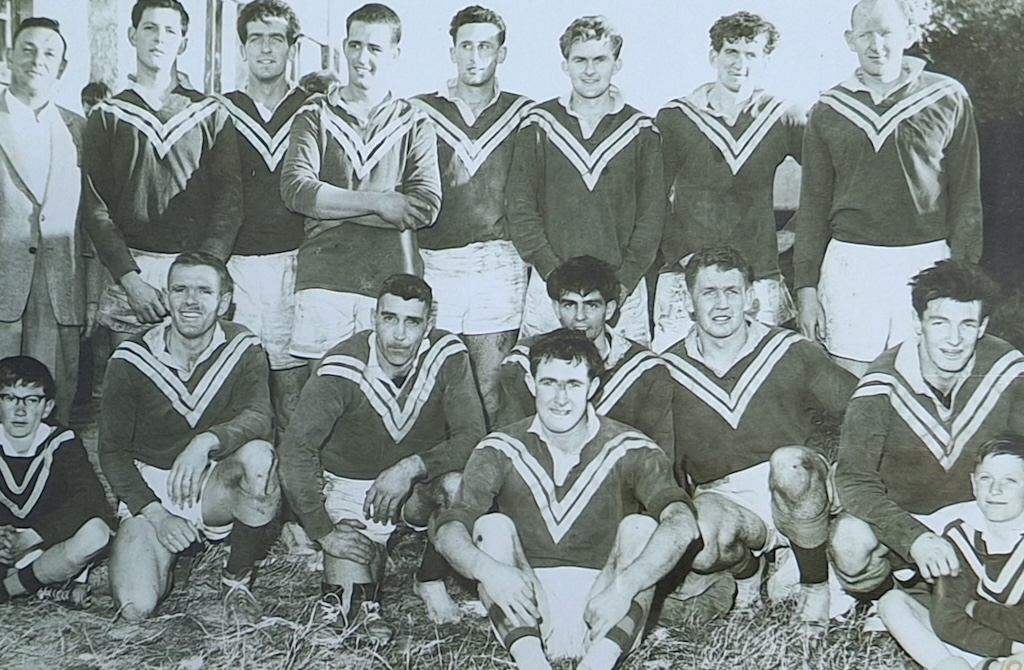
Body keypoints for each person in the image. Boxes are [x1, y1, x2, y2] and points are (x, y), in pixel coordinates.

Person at [434, 329, 699, 670]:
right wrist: (490, 572)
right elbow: (449, 531)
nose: (560, 397)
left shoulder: (633, 447)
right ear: (531, 384)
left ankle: (598, 663)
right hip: (528, 603)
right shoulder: (499, 447)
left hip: (606, 601)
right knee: (491, 526)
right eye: (549, 383)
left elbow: (682, 524)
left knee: (641, 528)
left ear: (593, 387)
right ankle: (532, 663)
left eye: (573, 384)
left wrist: (625, 586)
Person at [279, 274, 486, 639]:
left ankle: (429, 578)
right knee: (351, 614)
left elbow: (473, 435)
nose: (399, 335)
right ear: (374, 318)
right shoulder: (341, 366)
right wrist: (323, 532)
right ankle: (363, 569)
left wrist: (411, 467)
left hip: (415, 486)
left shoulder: (447, 354)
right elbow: (296, 450)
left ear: (429, 323)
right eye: (389, 318)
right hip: (352, 489)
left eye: (412, 322)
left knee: (458, 485)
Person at [662, 247, 856, 631]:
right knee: (698, 536)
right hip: (728, 498)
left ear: (751, 298)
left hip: (794, 484)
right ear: (689, 302)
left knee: (789, 463)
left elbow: (862, 408)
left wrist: (850, 477)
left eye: (732, 292)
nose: (721, 304)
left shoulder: (789, 350)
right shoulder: (666, 371)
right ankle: (748, 575)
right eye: (709, 292)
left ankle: (815, 587)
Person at [794, 0, 982, 377]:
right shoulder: (828, 108)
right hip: (852, 262)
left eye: (886, 33)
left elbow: (967, 195)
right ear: (850, 39)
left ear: (909, 35)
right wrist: (806, 288)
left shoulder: (947, 96)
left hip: (927, 257)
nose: (876, 44)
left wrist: (964, 272)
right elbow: (812, 206)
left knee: (929, 379)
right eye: (865, 34)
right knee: (855, 386)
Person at [831, 261, 1024, 609]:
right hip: (908, 517)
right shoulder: (880, 386)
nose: (953, 340)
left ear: (983, 327)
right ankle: (888, 593)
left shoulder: (1007, 368)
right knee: (849, 542)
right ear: (918, 323)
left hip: (983, 512)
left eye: (966, 325)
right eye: (940, 323)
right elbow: (854, 480)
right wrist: (913, 538)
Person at [99, 252, 279, 623]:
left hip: (214, 481)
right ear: (166, 297)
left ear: (224, 301)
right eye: (179, 289)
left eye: (203, 290)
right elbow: (112, 452)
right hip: (152, 490)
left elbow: (260, 417)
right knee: (136, 607)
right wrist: (157, 515)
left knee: (260, 457)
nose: (190, 301)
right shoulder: (131, 357)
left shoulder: (244, 347)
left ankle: (237, 579)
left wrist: (205, 442)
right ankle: (166, 558)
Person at [280, 2, 442, 361]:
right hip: (323, 279)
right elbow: (296, 190)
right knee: (323, 398)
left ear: (395, 54)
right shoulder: (314, 113)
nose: (361, 57)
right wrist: (381, 203)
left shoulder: (414, 121)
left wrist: (330, 209)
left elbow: (425, 206)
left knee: (384, 401)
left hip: (392, 283)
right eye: (354, 45)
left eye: (374, 48)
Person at [83, 0, 242, 345]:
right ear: (132, 35)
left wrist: (205, 273)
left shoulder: (210, 112)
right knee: (130, 388)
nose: (159, 38)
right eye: (149, 28)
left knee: (197, 388)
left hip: (196, 272)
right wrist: (131, 281)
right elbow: (96, 209)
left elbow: (230, 201)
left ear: (183, 42)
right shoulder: (107, 114)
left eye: (170, 30)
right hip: (134, 275)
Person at [506, 15, 664, 346]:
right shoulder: (539, 124)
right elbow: (520, 208)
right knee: (545, 382)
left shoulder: (641, 129)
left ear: (616, 64)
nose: (590, 71)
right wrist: (553, 275)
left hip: (621, 289)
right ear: (565, 64)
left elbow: (652, 216)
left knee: (625, 384)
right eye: (580, 60)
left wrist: (623, 282)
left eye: (600, 60)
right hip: (551, 286)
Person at [652, 11, 803, 353]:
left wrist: (796, 229)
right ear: (713, 56)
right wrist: (683, 253)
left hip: (758, 272)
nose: (740, 64)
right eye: (731, 52)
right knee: (675, 376)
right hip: (686, 274)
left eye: (751, 55)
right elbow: (650, 196)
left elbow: (828, 179)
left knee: (761, 377)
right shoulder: (676, 116)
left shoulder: (783, 116)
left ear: (766, 60)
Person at [411, 6, 533, 424]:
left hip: (498, 262)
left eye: (485, 46)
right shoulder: (419, 110)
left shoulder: (524, 113)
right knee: (437, 388)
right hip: (436, 261)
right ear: (453, 52)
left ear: (502, 53)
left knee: (492, 389)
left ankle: (492, 483)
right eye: (466, 46)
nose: (475, 56)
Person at [0, 17, 102, 425]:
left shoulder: (79, 129)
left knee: (52, 412)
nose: (36, 60)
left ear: (61, 67)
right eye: (27, 49)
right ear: (8, 56)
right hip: (4, 290)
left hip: (60, 295)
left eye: (49, 53)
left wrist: (92, 295)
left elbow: (92, 220)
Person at [221, 0, 310, 437]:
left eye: (276, 37)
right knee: (242, 390)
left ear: (293, 46)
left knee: (295, 395)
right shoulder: (220, 110)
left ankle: (296, 501)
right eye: (255, 37)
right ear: (242, 47)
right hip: (238, 265)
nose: (266, 48)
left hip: (298, 264)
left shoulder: (315, 109)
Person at [496, 256, 673, 454]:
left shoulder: (644, 370)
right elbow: (510, 445)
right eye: (569, 305)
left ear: (610, 310)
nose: (580, 316)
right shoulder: (523, 363)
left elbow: (658, 453)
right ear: (556, 308)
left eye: (591, 305)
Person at [878, 434, 1024, 670]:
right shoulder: (958, 536)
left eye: (1010, 481)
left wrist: (976, 608)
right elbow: (947, 621)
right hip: (983, 645)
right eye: (986, 479)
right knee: (892, 602)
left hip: (1014, 644)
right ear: (974, 484)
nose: (995, 490)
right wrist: (1010, 647)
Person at [0, 356, 112, 607]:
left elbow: (91, 497)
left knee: (97, 532)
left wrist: (32, 536)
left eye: (31, 400)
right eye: (9, 398)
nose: (20, 411)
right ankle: (43, 585)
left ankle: (11, 588)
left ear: (48, 407)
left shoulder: (62, 442)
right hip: (7, 547)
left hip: (46, 541)